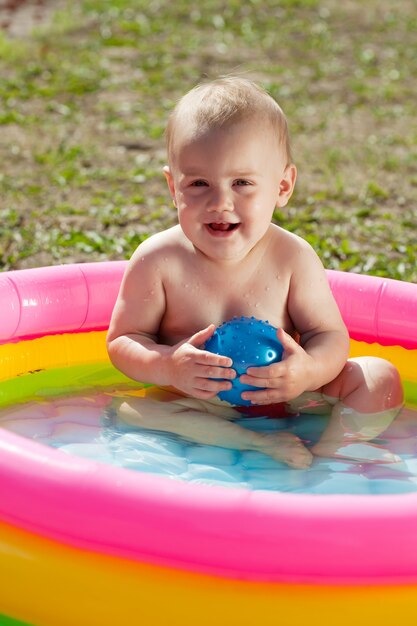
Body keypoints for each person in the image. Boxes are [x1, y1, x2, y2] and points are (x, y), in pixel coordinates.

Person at [107, 77, 403, 469]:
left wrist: (306, 371)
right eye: (198, 183)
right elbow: (124, 340)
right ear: (172, 187)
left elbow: (328, 335)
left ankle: (335, 455)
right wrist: (168, 365)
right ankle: (255, 443)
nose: (220, 202)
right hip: (201, 403)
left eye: (242, 183)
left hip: (290, 394)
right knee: (127, 409)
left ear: (282, 186)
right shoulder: (159, 260)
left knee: (378, 377)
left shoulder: (292, 256)